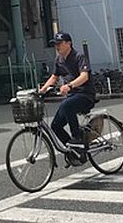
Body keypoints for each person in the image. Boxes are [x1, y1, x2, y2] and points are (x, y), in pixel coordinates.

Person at [39, 31, 97, 161]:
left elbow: (84, 76)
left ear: (68, 43)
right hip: (72, 97)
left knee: (66, 105)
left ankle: (77, 138)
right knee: (55, 126)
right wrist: (41, 91)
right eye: (55, 44)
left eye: (59, 43)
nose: (57, 46)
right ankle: (75, 153)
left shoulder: (79, 56)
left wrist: (69, 86)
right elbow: (54, 77)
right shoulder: (59, 60)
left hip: (85, 95)